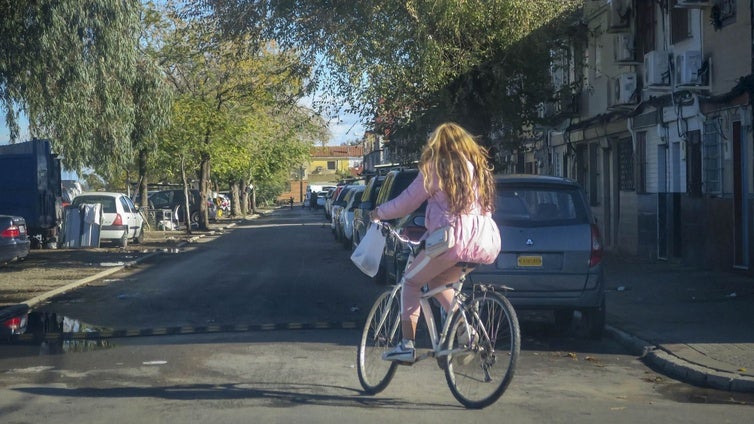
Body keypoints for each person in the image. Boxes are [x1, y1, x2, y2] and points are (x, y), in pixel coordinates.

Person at [369, 122, 501, 362]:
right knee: (439, 282)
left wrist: (379, 212)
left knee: (410, 281)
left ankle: (406, 345)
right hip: (484, 240)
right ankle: (466, 331)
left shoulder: (436, 169)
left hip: (451, 240)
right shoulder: (478, 169)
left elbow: (407, 202)